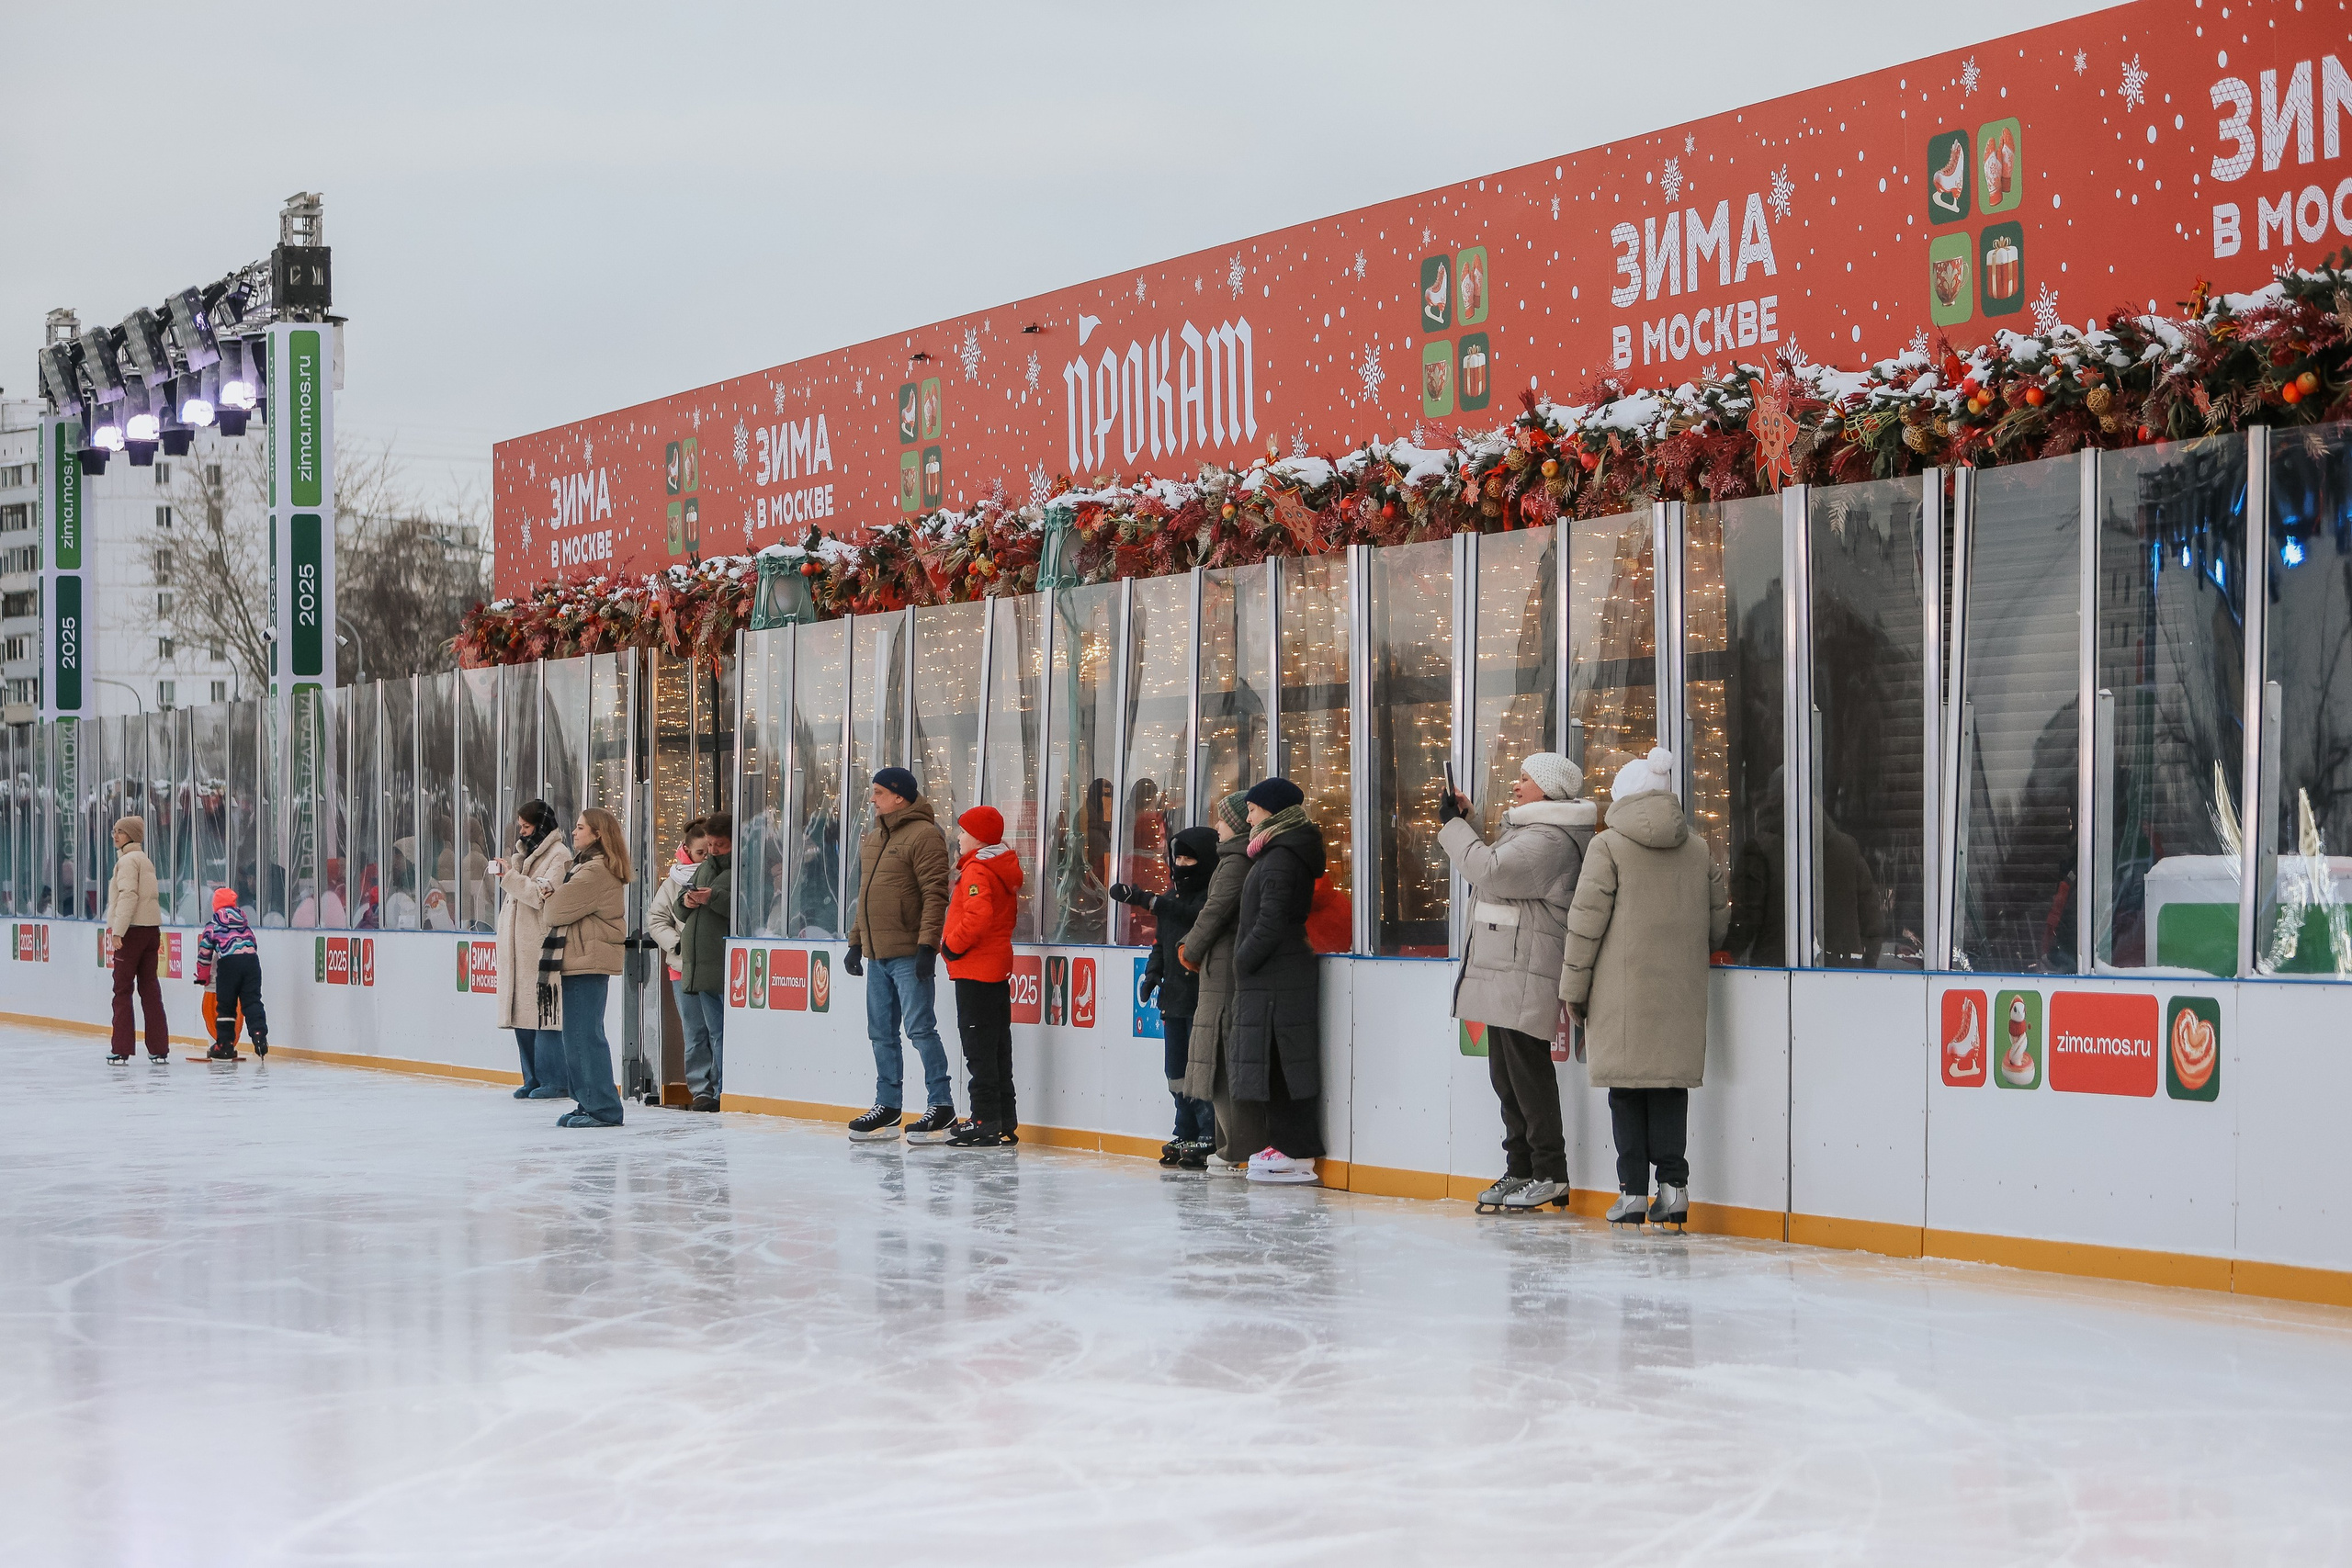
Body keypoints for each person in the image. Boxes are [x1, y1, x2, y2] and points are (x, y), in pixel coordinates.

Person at [1557, 746, 1729, 1228]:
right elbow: (1719, 925)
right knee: (1671, 1091)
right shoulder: (1697, 848)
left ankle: (1632, 1193)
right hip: (1681, 997)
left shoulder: (1607, 846)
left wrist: (1573, 989)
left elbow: (1585, 926)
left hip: (1621, 996)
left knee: (1627, 1093)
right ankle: (1673, 1190)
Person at [1438, 753, 1593, 1213]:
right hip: (1509, 969)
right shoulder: (1530, 832)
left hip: (1527, 969)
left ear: (1548, 789)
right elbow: (1498, 870)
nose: (1517, 784)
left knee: (1528, 1076)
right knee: (1506, 1077)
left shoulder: (1551, 839)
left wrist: (1454, 827)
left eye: (1526, 778)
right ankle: (1521, 1167)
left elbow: (1491, 871)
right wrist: (1467, 822)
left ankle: (1550, 1173)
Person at [843, 767, 956, 1142]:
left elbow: (935, 894)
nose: (872, 799)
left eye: (878, 792)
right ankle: (888, 1105)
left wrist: (928, 946)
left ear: (898, 796)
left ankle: (941, 1104)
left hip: (909, 952)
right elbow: (866, 896)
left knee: (921, 1030)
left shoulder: (925, 836)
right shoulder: (874, 838)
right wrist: (856, 942)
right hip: (877, 954)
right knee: (880, 1033)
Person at [1229, 778, 1328, 1184]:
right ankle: (1285, 1143)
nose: (1248, 817)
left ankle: (1296, 1149)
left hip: (1277, 973)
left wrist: (1242, 961)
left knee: (1285, 1060)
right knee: (1273, 1061)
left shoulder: (1282, 855)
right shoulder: (1275, 851)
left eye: (1252, 809)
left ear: (1271, 811)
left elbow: (1271, 921)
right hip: (1274, 972)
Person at [1114, 825, 1220, 1168]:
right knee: (1175, 1070)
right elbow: (1160, 942)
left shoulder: (1211, 899)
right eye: (1178, 857)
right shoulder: (1171, 899)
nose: (1182, 864)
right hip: (1173, 998)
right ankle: (1184, 1128)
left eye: (1189, 857)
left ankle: (1209, 1132)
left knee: (1200, 1068)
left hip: (1201, 996)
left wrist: (1148, 900)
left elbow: (1196, 919)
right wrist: (1152, 973)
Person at [533, 807, 633, 1127]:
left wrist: (552, 895)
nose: (573, 833)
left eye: (580, 828)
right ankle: (588, 1102)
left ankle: (601, 1107)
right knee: (578, 1037)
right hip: (580, 959)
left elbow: (554, 913)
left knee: (583, 1037)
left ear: (598, 834)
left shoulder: (595, 871)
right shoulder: (584, 868)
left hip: (586, 961)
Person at [938, 805, 1023, 1147]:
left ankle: (984, 1117)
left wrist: (951, 947)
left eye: (963, 831)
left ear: (978, 837)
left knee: (979, 1047)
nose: (958, 837)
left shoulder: (977, 870)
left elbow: (978, 915)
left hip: (976, 969)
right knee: (997, 1045)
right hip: (995, 968)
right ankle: (1003, 1115)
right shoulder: (998, 866)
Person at [1178, 792, 1252, 1168]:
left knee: (1220, 1058)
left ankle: (1231, 1146)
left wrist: (1189, 949)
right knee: (1215, 1058)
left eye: (1222, 820)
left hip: (1222, 971)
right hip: (1219, 967)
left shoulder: (1235, 863)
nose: (1217, 827)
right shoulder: (1233, 859)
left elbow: (1214, 913)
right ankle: (1227, 1144)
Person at [487, 800, 572, 1100]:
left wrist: (509, 876)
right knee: (520, 1015)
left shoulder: (559, 856)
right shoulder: (526, 854)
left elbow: (540, 894)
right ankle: (533, 1077)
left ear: (541, 826)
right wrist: (514, 867)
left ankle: (555, 1079)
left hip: (540, 947)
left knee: (545, 1015)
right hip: (517, 950)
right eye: (520, 827)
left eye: (526, 827)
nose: (521, 832)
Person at [645, 817, 707, 1095]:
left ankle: (722, 1086)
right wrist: (679, 945)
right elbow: (657, 920)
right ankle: (701, 1088)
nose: (705, 858)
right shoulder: (673, 883)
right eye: (700, 853)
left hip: (716, 967)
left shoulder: (724, 876)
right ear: (686, 850)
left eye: (711, 851)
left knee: (717, 1032)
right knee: (695, 1032)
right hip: (682, 969)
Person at [676, 812, 733, 1111]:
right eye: (710, 844)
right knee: (713, 1032)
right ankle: (714, 1090)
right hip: (703, 964)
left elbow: (742, 907)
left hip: (723, 962)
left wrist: (712, 898)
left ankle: (724, 1090)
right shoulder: (705, 868)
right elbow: (679, 909)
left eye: (720, 845)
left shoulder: (744, 869)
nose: (713, 850)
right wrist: (686, 901)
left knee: (723, 1033)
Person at [104, 816, 169, 1063]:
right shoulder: (144, 859)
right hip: (151, 930)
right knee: (150, 989)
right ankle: (159, 1047)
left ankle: (121, 1047)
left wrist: (118, 930)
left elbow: (129, 895)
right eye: (114, 830)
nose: (115, 835)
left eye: (120, 831)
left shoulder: (128, 861)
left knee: (122, 989)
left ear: (132, 835)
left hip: (132, 931)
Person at [196, 886, 268, 1061]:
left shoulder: (213, 926)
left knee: (226, 1006)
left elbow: (205, 953)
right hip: (252, 962)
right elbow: (253, 944)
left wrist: (202, 975)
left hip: (229, 964)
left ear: (215, 906)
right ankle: (259, 1035)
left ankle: (225, 1044)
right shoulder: (244, 924)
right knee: (252, 1001)